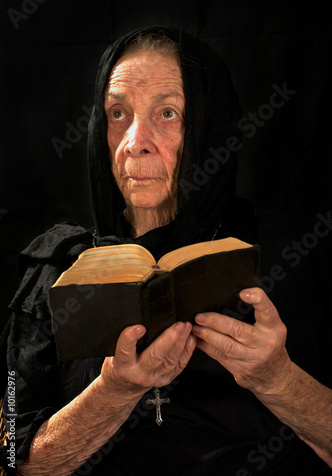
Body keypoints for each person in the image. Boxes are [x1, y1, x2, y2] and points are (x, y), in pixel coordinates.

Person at [0, 26, 331, 476]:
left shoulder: (300, 252)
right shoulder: (56, 268)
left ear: (209, 127)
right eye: (118, 113)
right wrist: (112, 393)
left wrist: (279, 380)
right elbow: (13, 461)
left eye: (168, 113)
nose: (136, 140)